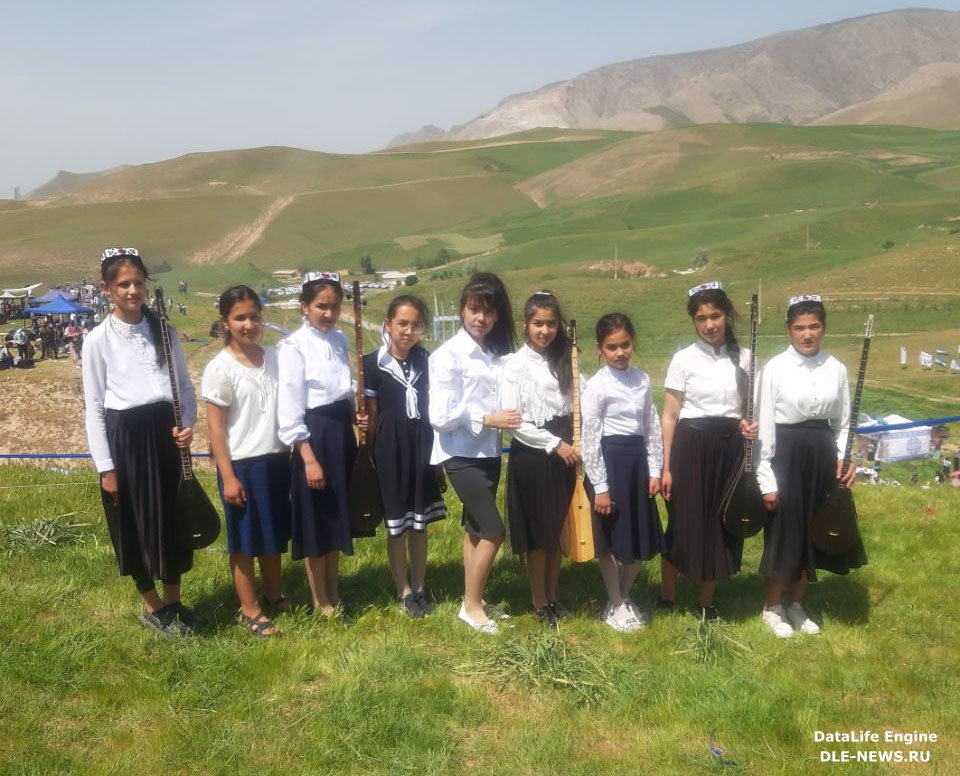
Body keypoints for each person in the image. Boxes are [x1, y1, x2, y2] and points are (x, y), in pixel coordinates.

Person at [81, 247, 199, 635]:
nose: (132, 290)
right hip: (127, 441)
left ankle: (174, 602)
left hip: (167, 436)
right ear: (106, 288)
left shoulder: (164, 331)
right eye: (123, 284)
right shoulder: (97, 340)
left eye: (137, 282)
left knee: (173, 515)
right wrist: (106, 467)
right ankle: (153, 607)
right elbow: (94, 406)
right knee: (134, 520)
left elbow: (184, 387)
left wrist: (187, 424)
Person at [755, 295, 866, 638]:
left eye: (814, 326)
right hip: (786, 455)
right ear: (789, 329)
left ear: (823, 328)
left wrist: (844, 457)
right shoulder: (774, 368)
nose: (807, 334)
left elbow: (843, 421)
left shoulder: (836, 368)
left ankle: (797, 604)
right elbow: (765, 424)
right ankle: (772, 606)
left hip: (823, 454)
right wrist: (766, 478)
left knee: (814, 528)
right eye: (800, 327)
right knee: (785, 530)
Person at [429, 271, 520, 634]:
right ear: (462, 310)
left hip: (488, 452)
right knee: (494, 531)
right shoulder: (447, 356)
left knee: (475, 530)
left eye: (489, 312)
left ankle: (475, 599)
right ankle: (469, 607)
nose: (481, 318)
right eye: (474, 309)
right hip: (460, 454)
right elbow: (439, 416)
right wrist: (487, 418)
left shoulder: (493, 354)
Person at [660, 282, 756, 620]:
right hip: (691, 447)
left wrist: (747, 424)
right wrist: (666, 466)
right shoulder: (683, 359)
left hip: (730, 449)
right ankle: (667, 596)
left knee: (721, 522)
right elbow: (670, 415)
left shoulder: (747, 358)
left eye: (715, 316)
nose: (709, 325)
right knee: (683, 522)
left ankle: (705, 601)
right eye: (701, 318)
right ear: (693, 321)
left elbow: (748, 409)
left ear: (727, 315)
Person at [202, 285, 292, 637]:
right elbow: (216, 428)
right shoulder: (220, 369)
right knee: (244, 541)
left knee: (271, 533)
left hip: (276, 460)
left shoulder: (275, 358)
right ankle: (249, 608)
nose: (248, 324)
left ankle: (274, 593)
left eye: (254, 316)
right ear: (225, 321)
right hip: (242, 465)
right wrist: (228, 476)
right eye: (240, 318)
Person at [277, 272, 363, 620]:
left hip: (341, 432)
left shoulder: (340, 339)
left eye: (335, 307)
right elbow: (290, 408)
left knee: (335, 514)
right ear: (304, 307)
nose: (328, 313)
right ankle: (320, 599)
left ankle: (334, 591)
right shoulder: (293, 347)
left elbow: (342, 388)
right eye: (321, 306)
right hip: (314, 436)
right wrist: (308, 458)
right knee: (316, 517)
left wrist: (355, 415)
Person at [363, 294, 446, 618]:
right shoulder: (373, 364)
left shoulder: (427, 360)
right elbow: (371, 412)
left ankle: (420, 586)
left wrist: (438, 460)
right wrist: (368, 452)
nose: (408, 331)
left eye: (415, 325)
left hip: (422, 447)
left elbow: (434, 409)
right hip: (390, 449)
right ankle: (404, 590)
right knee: (398, 526)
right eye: (402, 324)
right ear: (388, 325)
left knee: (420, 524)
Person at [500, 291, 579, 629]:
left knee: (556, 530)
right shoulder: (514, 365)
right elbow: (514, 422)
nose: (545, 331)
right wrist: (554, 444)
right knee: (538, 533)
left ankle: (553, 595)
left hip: (566, 451)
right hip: (535, 454)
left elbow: (581, 398)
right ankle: (538, 600)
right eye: (538, 324)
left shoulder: (566, 358)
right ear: (526, 325)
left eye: (551, 324)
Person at [582, 313, 664, 632]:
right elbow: (590, 437)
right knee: (609, 538)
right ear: (600, 349)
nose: (620, 352)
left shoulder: (642, 379)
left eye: (625, 345)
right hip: (610, 462)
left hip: (637, 464)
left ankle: (621, 597)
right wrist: (600, 487)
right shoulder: (596, 386)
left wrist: (654, 469)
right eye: (612, 347)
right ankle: (616, 602)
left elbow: (651, 425)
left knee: (639, 535)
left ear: (633, 343)